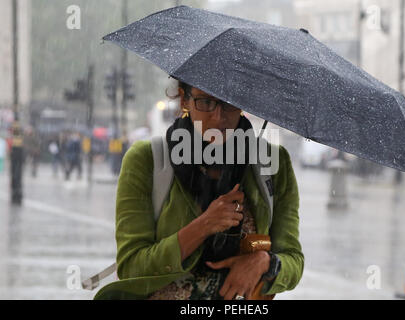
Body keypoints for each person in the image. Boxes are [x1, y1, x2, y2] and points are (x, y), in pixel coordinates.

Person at [94, 82, 304, 300]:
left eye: (229, 103)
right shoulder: (146, 161)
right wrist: (204, 225)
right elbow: (131, 266)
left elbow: (293, 260)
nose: (218, 116)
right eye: (206, 101)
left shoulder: (272, 163)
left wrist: (265, 263)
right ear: (185, 99)